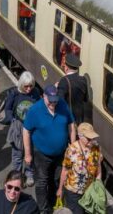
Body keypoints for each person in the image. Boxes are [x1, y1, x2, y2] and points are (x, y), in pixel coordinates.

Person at [23, 85, 76, 214]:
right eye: (50, 100)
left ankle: (54, 203)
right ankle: (43, 209)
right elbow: (26, 131)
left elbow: (71, 125)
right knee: (42, 182)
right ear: (44, 96)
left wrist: (73, 147)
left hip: (60, 153)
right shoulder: (35, 110)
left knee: (57, 180)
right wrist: (28, 154)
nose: (53, 103)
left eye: (55, 100)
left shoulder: (62, 105)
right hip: (41, 154)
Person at [3, 71, 41, 187]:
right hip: (18, 127)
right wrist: (12, 120)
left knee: (30, 153)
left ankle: (29, 174)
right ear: (21, 85)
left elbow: (39, 106)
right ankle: (17, 176)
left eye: (31, 86)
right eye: (26, 86)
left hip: (31, 128)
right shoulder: (14, 94)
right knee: (17, 154)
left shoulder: (35, 92)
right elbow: (8, 109)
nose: (29, 89)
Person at [57, 123, 103, 214]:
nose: (92, 140)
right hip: (73, 191)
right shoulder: (72, 150)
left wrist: (98, 185)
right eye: (89, 138)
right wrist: (60, 189)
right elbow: (65, 171)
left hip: (89, 191)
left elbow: (98, 168)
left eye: (93, 138)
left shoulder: (96, 148)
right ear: (80, 136)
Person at [56, 53, 88, 124]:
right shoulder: (83, 80)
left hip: (68, 119)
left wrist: (55, 88)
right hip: (79, 119)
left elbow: (60, 101)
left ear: (66, 68)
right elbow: (86, 99)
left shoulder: (64, 81)